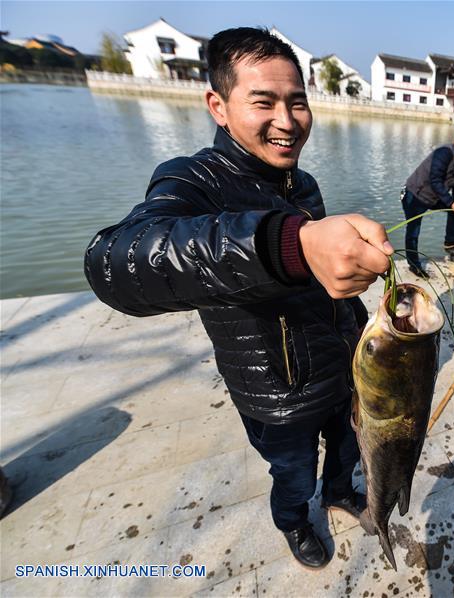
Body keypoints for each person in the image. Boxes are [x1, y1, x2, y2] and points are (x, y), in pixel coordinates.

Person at [83, 28, 393, 569]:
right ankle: (295, 523)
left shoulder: (304, 183)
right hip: (275, 392)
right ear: (218, 106)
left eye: (298, 102)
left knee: (346, 448)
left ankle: (340, 491)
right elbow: (117, 262)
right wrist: (288, 244)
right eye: (264, 102)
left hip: (340, 371)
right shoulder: (193, 179)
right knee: (293, 472)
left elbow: (316, 279)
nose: (287, 120)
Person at [402, 127, 454, 278]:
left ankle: (450, 240)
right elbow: (435, 180)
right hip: (414, 195)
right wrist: (450, 202)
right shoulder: (444, 152)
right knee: (413, 232)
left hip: (434, 197)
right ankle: (414, 265)